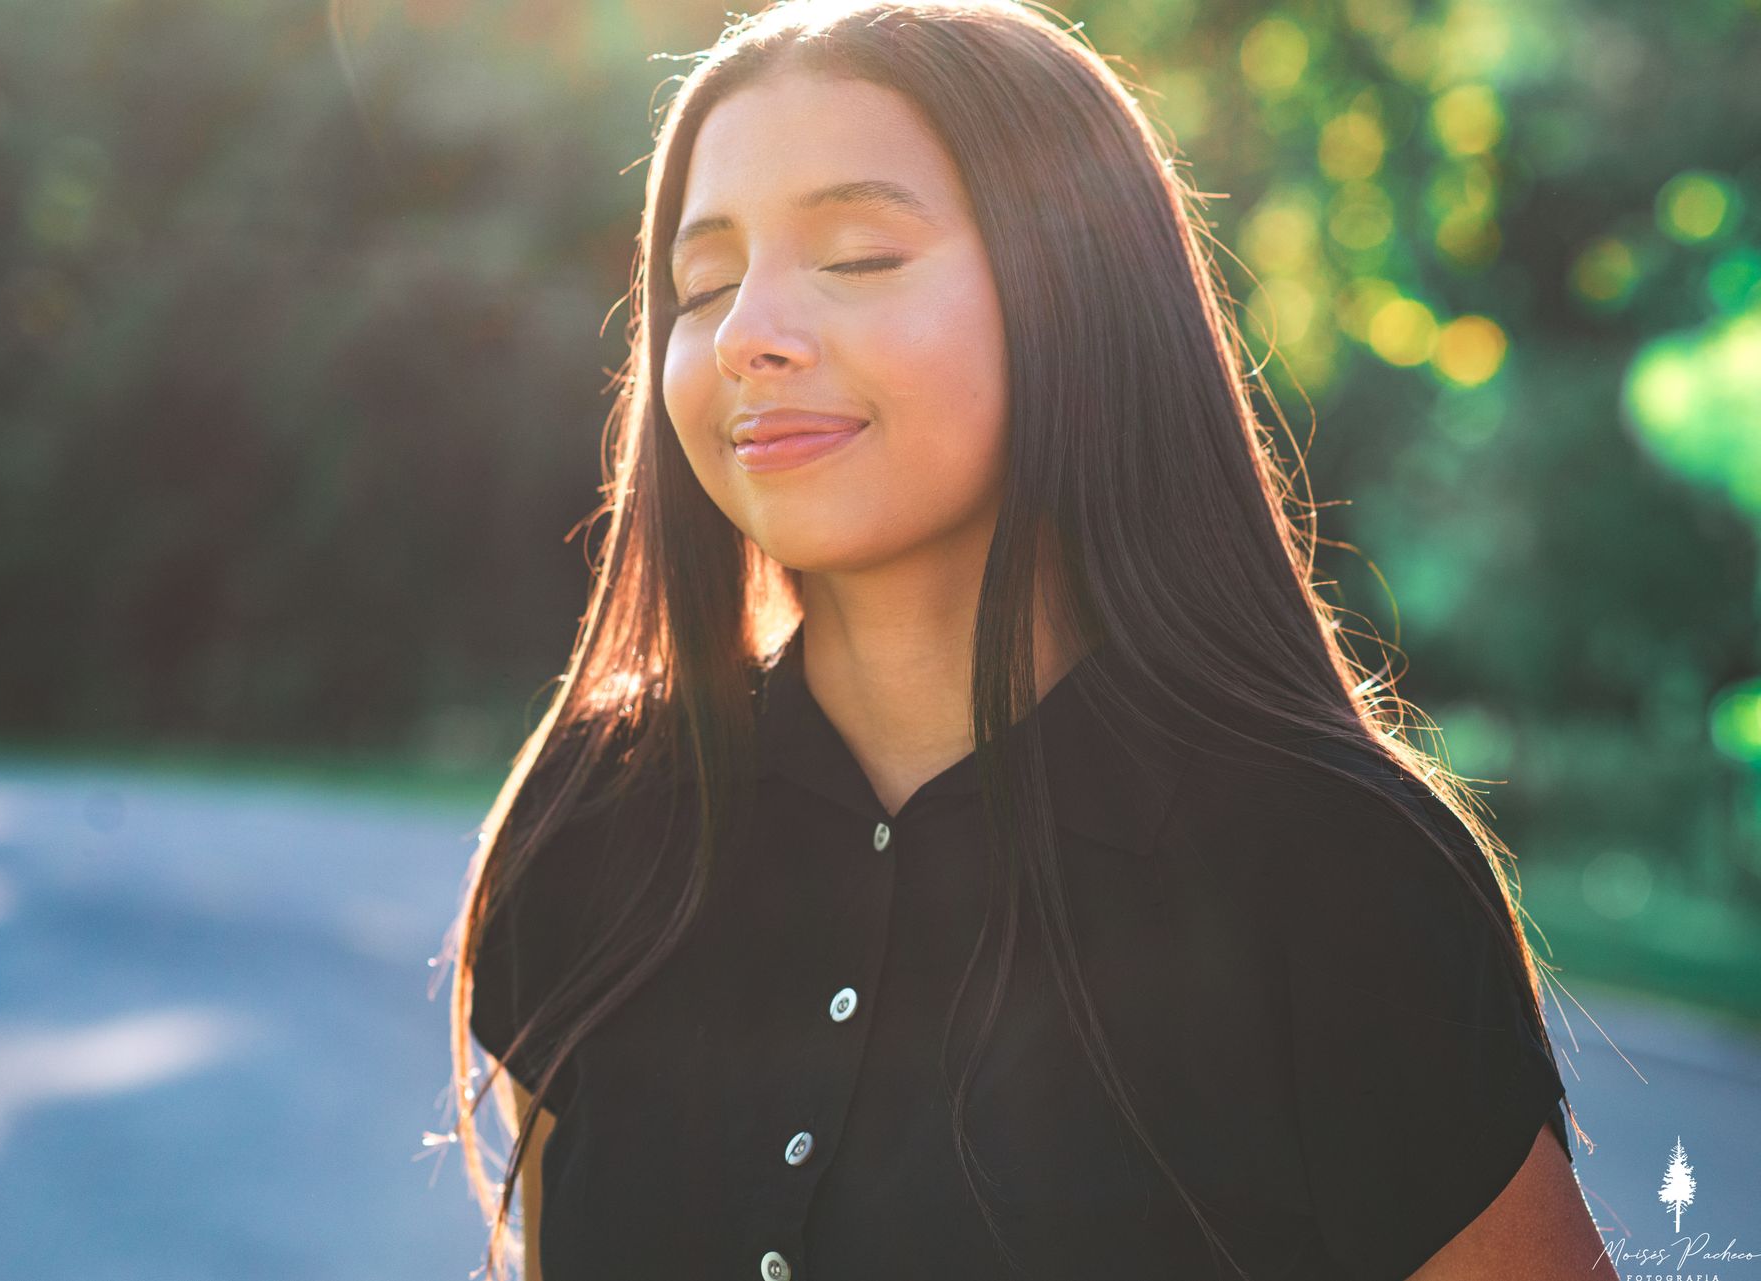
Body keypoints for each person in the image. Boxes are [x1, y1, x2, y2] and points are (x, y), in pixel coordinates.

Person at [438, 2, 1615, 1278]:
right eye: (703, 282)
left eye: (861, 256)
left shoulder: (1333, 873)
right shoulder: (603, 825)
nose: (744, 336)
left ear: (1079, 291)